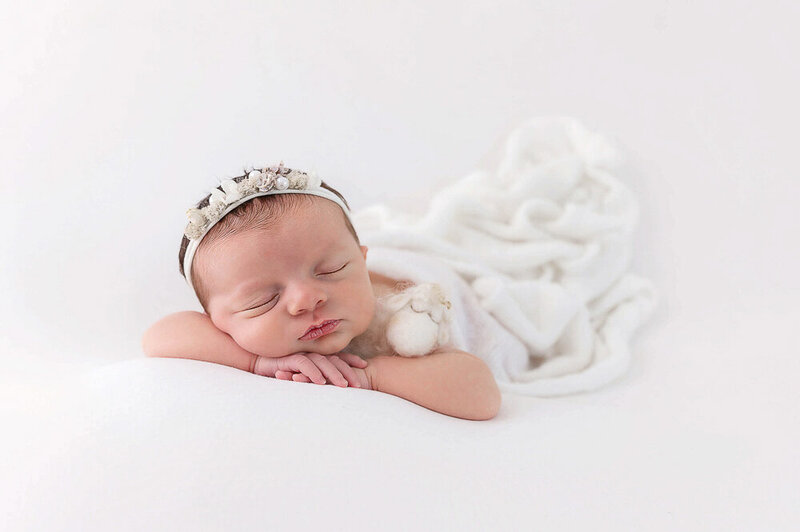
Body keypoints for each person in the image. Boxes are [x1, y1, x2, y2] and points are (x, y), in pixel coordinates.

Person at [141, 162, 501, 421]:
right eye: (263, 300)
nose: (307, 299)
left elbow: (481, 395)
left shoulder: (400, 319)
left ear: (361, 261)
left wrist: (369, 374)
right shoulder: (234, 333)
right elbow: (158, 337)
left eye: (331, 270)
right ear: (217, 322)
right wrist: (257, 362)